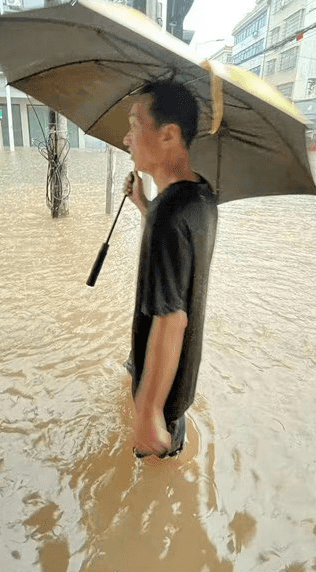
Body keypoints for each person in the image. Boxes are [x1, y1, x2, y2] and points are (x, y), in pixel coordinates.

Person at [122, 80, 218, 459]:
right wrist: (145, 206)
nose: (128, 139)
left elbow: (171, 319)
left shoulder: (167, 216)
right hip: (181, 388)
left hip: (161, 407)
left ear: (168, 135)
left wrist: (146, 412)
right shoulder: (202, 197)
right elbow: (184, 260)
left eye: (134, 125)